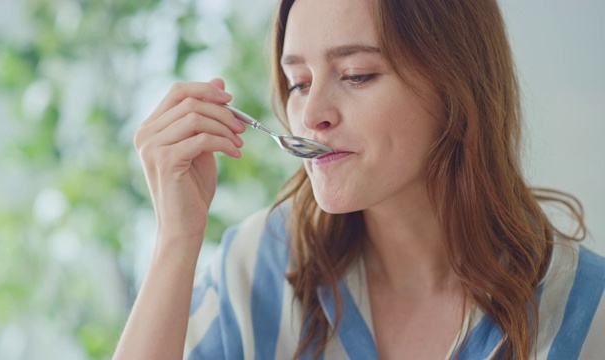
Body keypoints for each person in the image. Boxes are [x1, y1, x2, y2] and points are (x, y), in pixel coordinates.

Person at [113, 0, 605, 359]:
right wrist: (177, 240)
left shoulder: (586, 313)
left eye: (356, 75)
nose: (311, 115)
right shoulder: (255, 266)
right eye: (299, 83)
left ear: (457, 86)